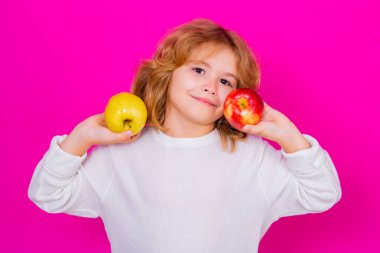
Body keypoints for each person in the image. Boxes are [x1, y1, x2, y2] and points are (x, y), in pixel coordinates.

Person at [28, 18, 342, 253]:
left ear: (237, 96)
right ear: (166, 73)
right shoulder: (120, 153)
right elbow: (48, 194)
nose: (211, 87)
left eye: (226, 81)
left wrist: (288, 135)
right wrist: (80, 138)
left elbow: (322, 193)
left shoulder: (251, 156)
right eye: (199, 70)